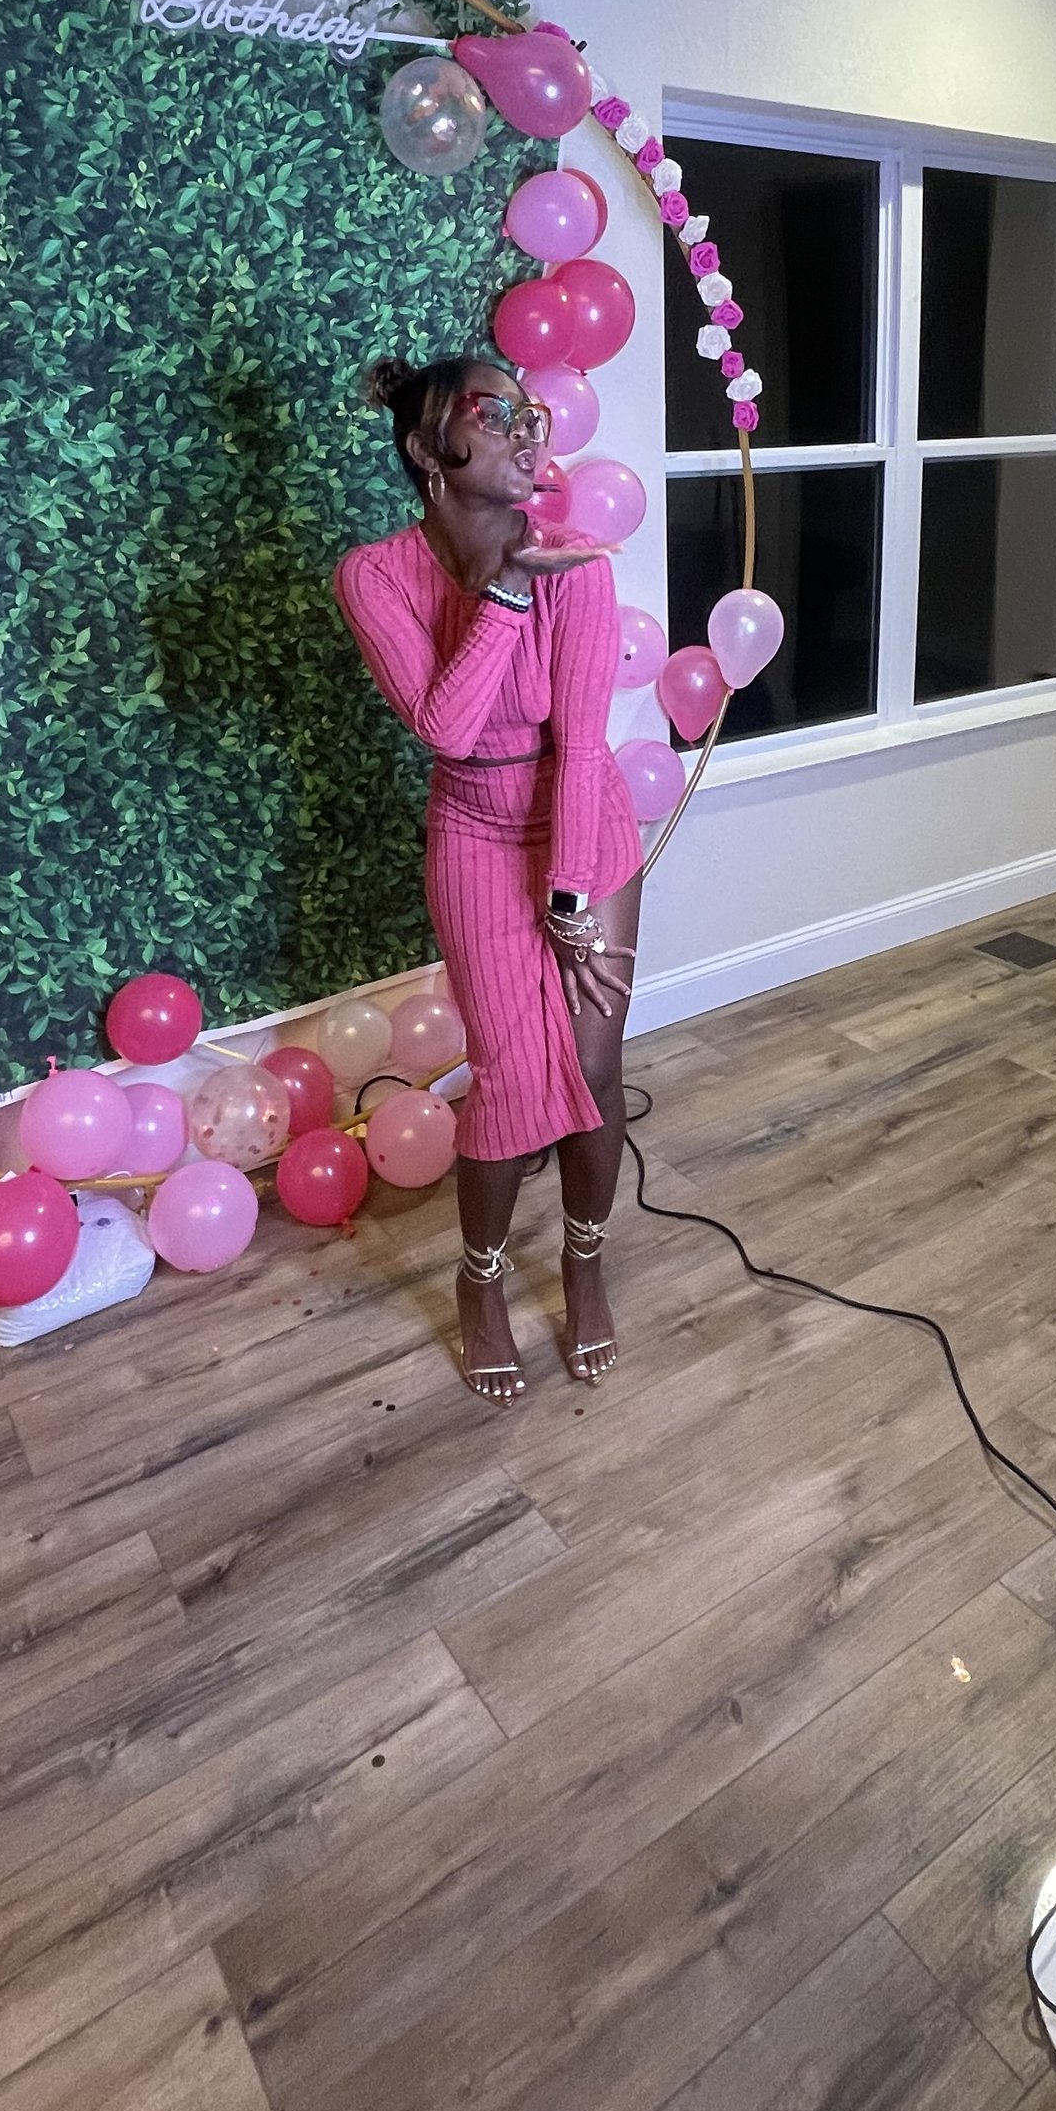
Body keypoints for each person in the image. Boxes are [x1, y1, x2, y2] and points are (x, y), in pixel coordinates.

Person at [336, 354, 643, 1399]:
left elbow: (583, 746)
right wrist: (508, 590)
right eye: (495, 415)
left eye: (532, 414)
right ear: (427, 453)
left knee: (595, 1067)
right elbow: (448, 729)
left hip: (584, 829)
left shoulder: (580, 562)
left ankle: (586, 1261)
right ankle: (479, 1281)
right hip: (472, 831)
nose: (526, 431)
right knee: (511, 1080)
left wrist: (567, 897)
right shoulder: (377, 576)